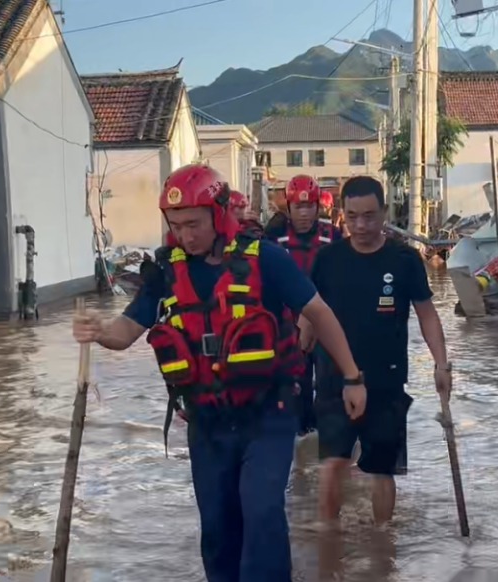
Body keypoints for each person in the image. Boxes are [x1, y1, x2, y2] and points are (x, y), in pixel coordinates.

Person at [72, 164, 368, 582]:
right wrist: (98, 331)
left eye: (194, 223)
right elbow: (126, 333)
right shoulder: (165, 273)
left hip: (269, 413)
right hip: (206, 422)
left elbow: (318, 313)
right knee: (217, 528)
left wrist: (353, 377)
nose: (186, 235)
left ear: (220, 211)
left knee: (262, 512)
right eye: (176, 226)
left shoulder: (265, 258)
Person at [299, 175, 452, 526]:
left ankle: (383, 544)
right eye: (352, 217)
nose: (361, 225)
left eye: (369, 215)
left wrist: (441, 364)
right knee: (333, 464)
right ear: (342, 215)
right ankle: (329, 544)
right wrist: (302, 333)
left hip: (387, 380)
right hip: (334, 378)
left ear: (385, 212)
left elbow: (427, 314)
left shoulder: (404, 260)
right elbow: (311, 306)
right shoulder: (327, 259)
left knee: (383, 469)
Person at [266, 174, 345, 436]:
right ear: (288, 207)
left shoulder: (331, 235)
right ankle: (300, 449)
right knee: (295, 387)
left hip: (323, 321)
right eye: (298, 207)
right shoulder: (274, 237)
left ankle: (324, 447)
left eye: (309, 206)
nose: (304, 213)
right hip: (288, 327)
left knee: (326, 384)